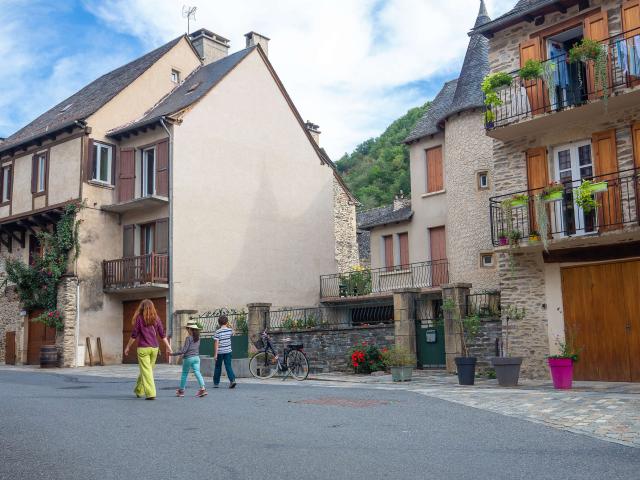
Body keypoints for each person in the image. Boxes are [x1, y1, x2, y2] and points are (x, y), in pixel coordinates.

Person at [124, 299, 172, 400]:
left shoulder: (139, 319)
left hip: (143, 349)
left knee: (146, 371)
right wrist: (168, 347)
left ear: (142, 307)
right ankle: (139, 390)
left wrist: (128, 347)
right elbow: (162, 335)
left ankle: (151, 393)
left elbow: (134, 334)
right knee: (146, 370)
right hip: (154, 349)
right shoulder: (157, 318)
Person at [171, 321, 207, 398]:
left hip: (189, 358)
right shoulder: (198, 338)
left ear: (190, 329)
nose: (187, 331)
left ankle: (181, 391)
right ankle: (203, 388)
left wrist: (173, 354)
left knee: (184, 374)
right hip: (197, 358)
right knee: (197, 372)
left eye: (187, 329)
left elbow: (184, 351)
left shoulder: (188, 338)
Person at [213, 315, 236, 389]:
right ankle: (232, 380)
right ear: (226, 322)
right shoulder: (229, 330)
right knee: (228, 366)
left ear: (219, 323)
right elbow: (234, 332)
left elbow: (216, 343)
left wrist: (215, 354)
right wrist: (230, 325)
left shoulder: (217, 332)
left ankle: (216, 383)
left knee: (218, 367)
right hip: (228, 351)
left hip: (220, 352)